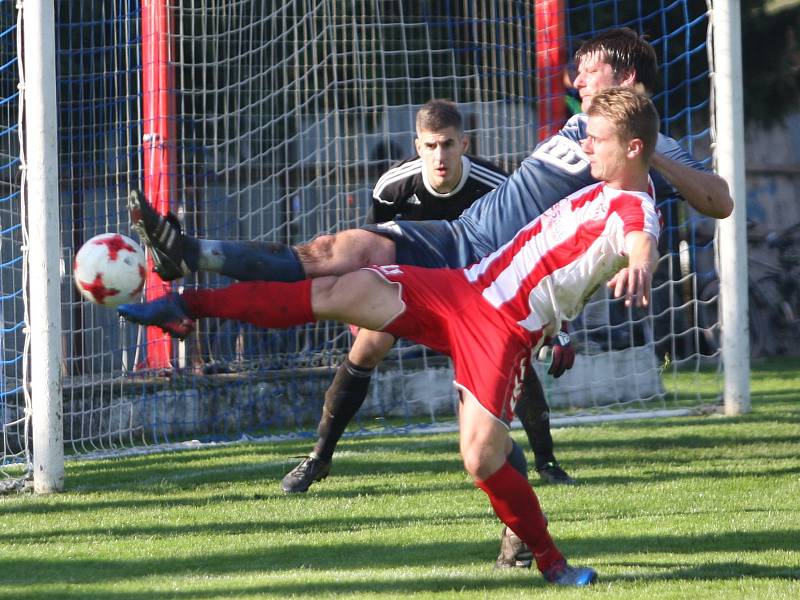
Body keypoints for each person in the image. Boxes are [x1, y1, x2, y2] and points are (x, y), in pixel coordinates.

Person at [127, 27, 733, 569]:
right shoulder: (586, 125)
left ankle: (530, 534)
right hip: (462, 246)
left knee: (478, 439)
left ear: (626, 79)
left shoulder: (643, 156)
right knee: (340, 266)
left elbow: (711, 202)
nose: (575, 79)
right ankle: (192, 264)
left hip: (486, 279)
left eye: (589, 69)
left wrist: (644, 168)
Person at [275, 100, 575, 499]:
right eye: (431, 146)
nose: (440, 156)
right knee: (368, 345)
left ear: (464, 144)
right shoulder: (393, 188)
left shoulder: (497, 186)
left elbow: (526, 256)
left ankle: (546, 461)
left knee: (508, 351)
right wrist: (360, 306)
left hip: (472, 293)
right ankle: (319, 457)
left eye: (448, 145)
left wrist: (559, 325)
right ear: (417, 146)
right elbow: (374, 249)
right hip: (407, 286)